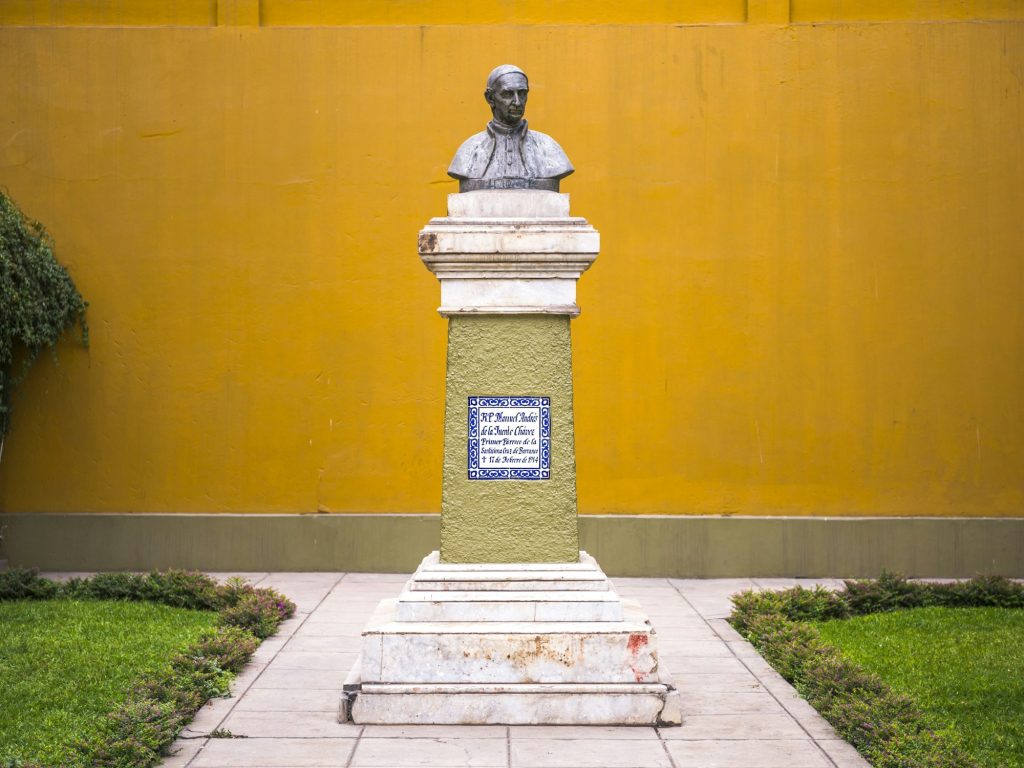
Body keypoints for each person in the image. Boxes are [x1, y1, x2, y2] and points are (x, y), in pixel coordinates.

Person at [448, 65, 574, 192]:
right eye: (508, 94)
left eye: (522, 93)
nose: (518, 102)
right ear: (490, 98)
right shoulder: (470, 149)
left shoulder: (548, 146)